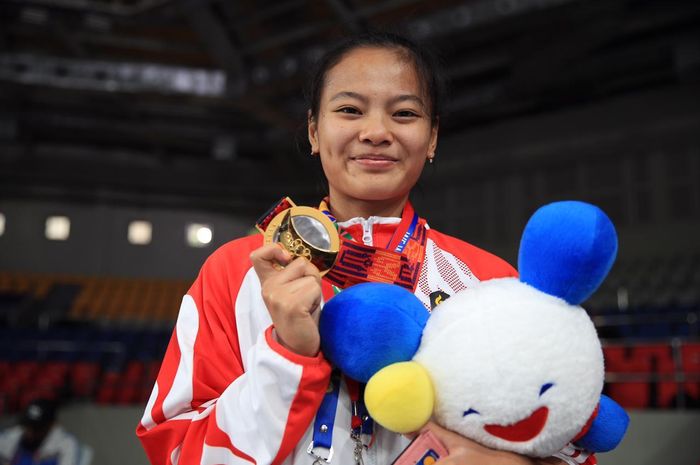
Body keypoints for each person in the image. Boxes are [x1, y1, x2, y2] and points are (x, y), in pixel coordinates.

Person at [137, 33, 592, 465]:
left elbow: (567, 438)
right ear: (314, 131)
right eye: (350, 110)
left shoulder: (490, 283)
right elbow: (176, 449)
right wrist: (287, 357)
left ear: (432, 138)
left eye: (405, 114)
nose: (376, 132)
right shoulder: (238, 271)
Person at [0, 399, 92, 465]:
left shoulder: (67, 444)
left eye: (37, 428)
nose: (30, 432)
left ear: (52, 425)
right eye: (27, 426)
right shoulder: (16, 434)